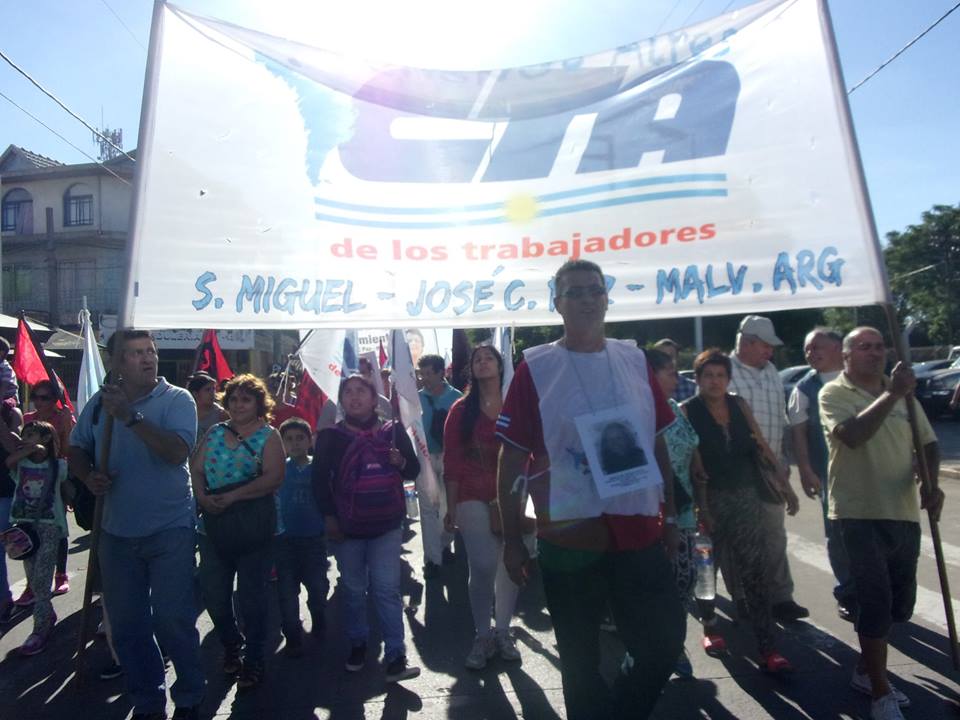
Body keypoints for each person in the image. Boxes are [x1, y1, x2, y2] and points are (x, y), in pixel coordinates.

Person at [496, 259, 684, 720]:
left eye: (594, 290)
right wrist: (512, 540)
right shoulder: (536, 367)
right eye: (574, 292)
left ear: (607, 298)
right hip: (570, 537)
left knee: (662, 644)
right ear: (557, 303)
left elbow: (659, 442)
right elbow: (512, 458)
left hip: (638, 529)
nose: (586, 299)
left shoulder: (634, 360)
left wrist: (672, 516)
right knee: (580, 662)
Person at [69, 329, 204, 720]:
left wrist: (129, 417)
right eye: (135, 353)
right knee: (128, 626)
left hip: (169, 528)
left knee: (172, 619)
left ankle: (190, 695)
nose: (148, 358)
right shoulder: (100, 404)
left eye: (151, 351)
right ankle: (148, 701)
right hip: (115, 532)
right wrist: (88, 475)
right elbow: (76, 447)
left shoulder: (177, 400)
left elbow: (176, 453)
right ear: (116, 363)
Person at [820, 327, 944, 720]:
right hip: (857, 514)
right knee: (874, 602)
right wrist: (893, 395)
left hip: (902, 512)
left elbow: (928, 443)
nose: (875, 353)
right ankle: (880, 692)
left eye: (879, 347)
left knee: (899, 607)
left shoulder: (901, 392)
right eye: (864, 347)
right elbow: (852, 435)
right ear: (846, 356)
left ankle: (864, 669)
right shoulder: (834, 393)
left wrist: (932, 483)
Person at [683, 349, 797, 674]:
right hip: (709, 503)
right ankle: (710, 627)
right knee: (707, 570)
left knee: (755, 573)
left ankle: (768, 647)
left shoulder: (739, 405)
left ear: (728, 379)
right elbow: (695, 466)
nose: (715, 381)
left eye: (720, 375)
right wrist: (703, 508)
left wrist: (786, 487)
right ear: (698, 379)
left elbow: (761, 445)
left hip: (746, 499)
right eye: (708, 375)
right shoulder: (688, 411)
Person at [313, 374, 422, 683]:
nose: (354, 396)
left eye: (361, 390)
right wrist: (330, 518)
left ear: (375, 399)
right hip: (347, 528)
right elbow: (318, 481)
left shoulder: (393, 430)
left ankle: (396, 655)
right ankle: (358, 643)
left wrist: (401, 462)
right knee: (352, 589)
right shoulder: (331, 436)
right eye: (348, 392)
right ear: (341, 400)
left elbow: (413, 470)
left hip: (387, 526)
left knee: (387, 590)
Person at [192, 374, 285, 690]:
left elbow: (274, 478)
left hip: (253, 527)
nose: (238, 405)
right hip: (213, 527)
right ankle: (231, 642)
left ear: (259, 403)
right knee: (214, 595)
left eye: (246, 399)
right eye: (233, 399)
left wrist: (234, 496)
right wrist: (202, 496)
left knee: (252, 599)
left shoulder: (269, 436)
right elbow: (197, 469)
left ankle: (254, 658)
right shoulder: (215, 432)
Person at [442, 345, 521, 670]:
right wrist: (451, 506)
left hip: (513, 493)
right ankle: (482, 634)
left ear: (501, 366)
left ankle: (502, 631)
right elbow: (452, 460)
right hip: (472, 493)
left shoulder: (517, 403)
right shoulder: (460, 410)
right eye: (477, 359)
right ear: (471, 369)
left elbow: (531, 450)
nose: (483, 362)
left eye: (490, 358)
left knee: (511, 563)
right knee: (484, 564)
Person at [727, 315, 808, 623]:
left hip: (772, 471)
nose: (770, 352)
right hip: (738, 473)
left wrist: (783, 461)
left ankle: (781, 597)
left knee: (774, 536)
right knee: (740, 540)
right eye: (765, 346)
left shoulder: (772, 372)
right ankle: (745, 598)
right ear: (747, 343)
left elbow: (780, 420)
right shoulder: (723, 372)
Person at [645, 347, 705, 679]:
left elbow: (692, 446)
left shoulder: (673, 408)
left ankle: (673, 641)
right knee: (656, 584)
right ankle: (654, 647)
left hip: (683, 511)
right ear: (650, 376)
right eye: (669, 372)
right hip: (652, 513)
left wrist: (699, 477)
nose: (676, 378)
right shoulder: (639, 413)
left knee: (685, 579)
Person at [788, 327, 855, 620]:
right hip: (831, 476)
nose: (811, 353)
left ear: (839, 349)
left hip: (871, 473)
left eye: (817, 347)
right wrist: (805, 469)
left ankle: (881, 588)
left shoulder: (860, 378)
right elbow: (798, 432)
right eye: (807, 349)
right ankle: (848, 592)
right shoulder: (804, 389)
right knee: (838, 535)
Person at [5, 421, 68, 655]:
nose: (26, 439)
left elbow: (63, 474)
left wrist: (41, 449)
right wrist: (29, 449)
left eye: (31, 435)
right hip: (24, 526)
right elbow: (9, 462)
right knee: (32, 577)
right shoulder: (21, 464)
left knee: (41, 580)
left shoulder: (58, 465)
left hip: (50, 526)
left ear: (47, 438)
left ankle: (40, 628)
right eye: (25, 435)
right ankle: (47, 614)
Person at [276, 417, 328, 657]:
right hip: (284, 539)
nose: (295, 443)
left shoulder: (319, 467)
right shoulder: (277, 469)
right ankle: (292, 635)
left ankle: (318, 616)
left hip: (314, 538)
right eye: (289, 439)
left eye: (300, 438)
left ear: (310, 441)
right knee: (287, 592)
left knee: (317, 586)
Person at [22, 379, 75, 598]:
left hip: (55, 479)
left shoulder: (63, 418)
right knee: (29, 530)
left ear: (55, 400)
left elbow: (68, 451)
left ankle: (60, 574)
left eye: (45, 397)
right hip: (30, 478)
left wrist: (66, 426)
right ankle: (32, 583)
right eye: (36, 397)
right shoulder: (28, 419)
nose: (39, 402)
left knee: (57, 528)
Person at [417, 353, 462, 578]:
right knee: (427, 510)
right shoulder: (415, 400)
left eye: (428, 373)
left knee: (447, 506)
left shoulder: (457, 398)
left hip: (449, 456)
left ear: (440, 373)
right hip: (424, 457)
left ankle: (444, 545)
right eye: (422, 374)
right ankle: (432, 560)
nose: (424, 378)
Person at [0, 401, 23, 624]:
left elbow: (14, 448)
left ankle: (4, 600)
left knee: (3, 546)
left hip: (5, 491)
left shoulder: (11, 413)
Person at [187, 372, 228, 441]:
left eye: (213, 389)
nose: (212, 393)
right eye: (207, 390)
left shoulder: (222, 414)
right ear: (195, 394)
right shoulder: (186, 412)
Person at [0, 337, 19, 406]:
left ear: (1, 353)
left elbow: (4, 386)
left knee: (7, 405)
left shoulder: (5, 368)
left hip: (8, 397)